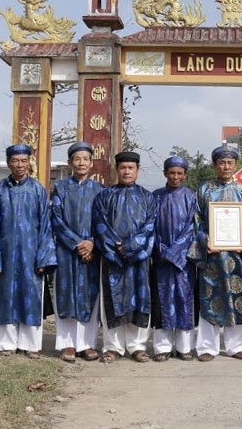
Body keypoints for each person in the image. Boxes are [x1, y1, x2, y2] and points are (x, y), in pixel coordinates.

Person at [0, 144, 56, 358]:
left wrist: (44, 255)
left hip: (31, 255)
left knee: (31, 297)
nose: (19, 165)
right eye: (15, 161)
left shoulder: (37, 190)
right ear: (8, 163)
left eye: (23, 161)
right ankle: (6, 343)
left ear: (29, 163)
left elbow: (46, 225)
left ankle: (31, 345)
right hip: (5, 254)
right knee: (6, 297)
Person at [188, 146, 242, 362]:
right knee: (210, 298)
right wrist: (204, 240)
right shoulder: (204, 190)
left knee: (239, 297)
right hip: (213, 256)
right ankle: (207, 347)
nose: (225, 166)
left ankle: (236, 346)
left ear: (235, 165)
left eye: (229, 163)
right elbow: (196, 220)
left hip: (237, 257)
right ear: (214, 165)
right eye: (221, 162)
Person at [92, 151, 156, 363]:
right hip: (112, 260)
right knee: (113, 300)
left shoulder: (148, 198)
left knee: (139, 300)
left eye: (131, 168)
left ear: (138, 170)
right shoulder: (104, 196)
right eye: (123, 168)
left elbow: (149, 227)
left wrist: (131, 247)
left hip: (138, 259)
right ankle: (113, 347)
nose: (127, 171)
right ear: (116, 169)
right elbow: (100, 226)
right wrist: (116, 250)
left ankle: (137, 346)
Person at [50, 142, 103, 363]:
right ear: (71, 162)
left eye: (85, 159)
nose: (81, 163)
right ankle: (67, 344)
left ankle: (86, 344)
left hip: (91, 254)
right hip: (67, 251)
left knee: (88, 296)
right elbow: (56, 219)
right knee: (66, 296)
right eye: (77, 159)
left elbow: (103, 222)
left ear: (91, 163)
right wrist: (76, 243)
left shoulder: (100, 191)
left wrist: (91, 243)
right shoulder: (61, 188)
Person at [150, 156, 198, 362]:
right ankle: (162, 347)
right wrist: (161, 249)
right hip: (160, 260)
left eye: (180, 173)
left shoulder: (191, 197)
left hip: (184, 261)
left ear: (185, 175)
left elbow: (192, 228)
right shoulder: (155, 197)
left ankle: (184, 347)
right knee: (162, 301)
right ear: (165, 174)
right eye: (172, 173)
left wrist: (175, 252)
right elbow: (149, 226)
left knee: (183, 301)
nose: (176, 177)